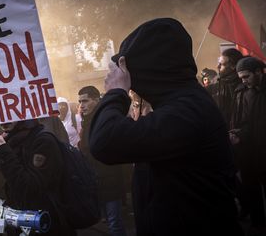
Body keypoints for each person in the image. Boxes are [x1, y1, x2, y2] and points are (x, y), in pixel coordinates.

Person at [89, 18, 243, 236]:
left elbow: (104, 141)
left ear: (152, 68)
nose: (128, 78)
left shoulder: (187, 110)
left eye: (129, 69)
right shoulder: (181, 103)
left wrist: (117, 92)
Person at [0, 119, 75, 235]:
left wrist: (2, 151)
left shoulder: (43, 141)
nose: (3, 120)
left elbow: (30, 188)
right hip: (21, 222)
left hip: (46, 222)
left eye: (9, 115)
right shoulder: (10, 139)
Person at [78, 86, 128, 236]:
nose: (82, 105)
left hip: (110, 180)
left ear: (96, 100)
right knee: (104, 224)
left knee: (114, 224)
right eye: (80, 102)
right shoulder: (86, 122)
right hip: (96, 181)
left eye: (85, 101)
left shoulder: (104, 118)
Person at [230, 57, 266, 235]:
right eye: (241, 77)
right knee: (251, 189)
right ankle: (258, 223)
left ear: (259, 72)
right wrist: (237, 134)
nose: (243, 81)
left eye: (246, 77)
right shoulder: (241, 91)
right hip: (249, 151)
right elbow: (242, 121)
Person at [216, 48, 243, 126]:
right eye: (218, 63)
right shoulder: (214, 88)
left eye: (222, 64)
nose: (217, 66)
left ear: (233, 66)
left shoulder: (246, 86)